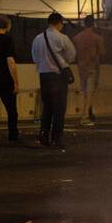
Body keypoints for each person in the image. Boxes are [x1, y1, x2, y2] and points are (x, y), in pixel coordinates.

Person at [30, 11, 77, 149]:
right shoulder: (62, 38)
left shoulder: (37, 39)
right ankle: (57, 137)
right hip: (58, 77)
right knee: (59, 108)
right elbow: (72, 55)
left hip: (43, 76)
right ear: (59, 23)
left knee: (47, 107)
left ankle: (44, 134)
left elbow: (34, 58)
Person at [74, 15, 105, 126]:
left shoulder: (77, 38)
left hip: (81, 67)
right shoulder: (97, 38)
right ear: (93, 24)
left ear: (84, 24)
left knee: (85, 92)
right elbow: (102, 52)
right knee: (90, 92)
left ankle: (88, 113)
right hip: (92, 67)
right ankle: (84, 117)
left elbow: (74, 54)